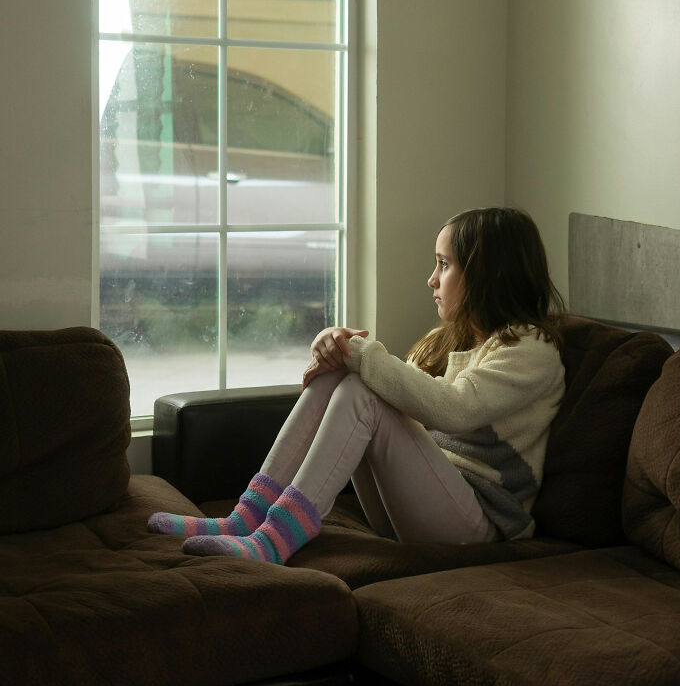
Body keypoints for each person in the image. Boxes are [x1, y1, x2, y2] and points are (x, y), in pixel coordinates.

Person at [148, 207, 566, 564]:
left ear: (485, 276)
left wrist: (360, 354)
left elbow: (453, 410)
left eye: (444, 264)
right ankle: (246, 517)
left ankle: (275, 540)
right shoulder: (447, 340)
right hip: (418, 508)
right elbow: (396, 394)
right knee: (350, 377)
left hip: (481, 526)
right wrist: (334, 348)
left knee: (363, 386)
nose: (431, 279)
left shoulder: (531, 350)